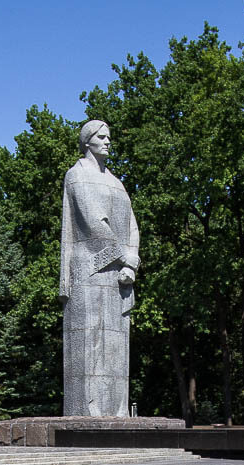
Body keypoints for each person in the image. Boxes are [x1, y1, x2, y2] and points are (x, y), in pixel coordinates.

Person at [59, 120, 140, 417]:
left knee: (117, 348)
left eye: (109, 137)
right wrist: (127, 258)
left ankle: (117, 413)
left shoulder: (117, 183)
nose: (107, 142)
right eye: (101, 137)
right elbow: (94, 224)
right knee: (89, 344)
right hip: (89, 270)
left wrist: (132, 261)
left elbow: (132, 225)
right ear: (87, 142)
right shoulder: (76, 175)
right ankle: (87, 413)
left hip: (119, 276)